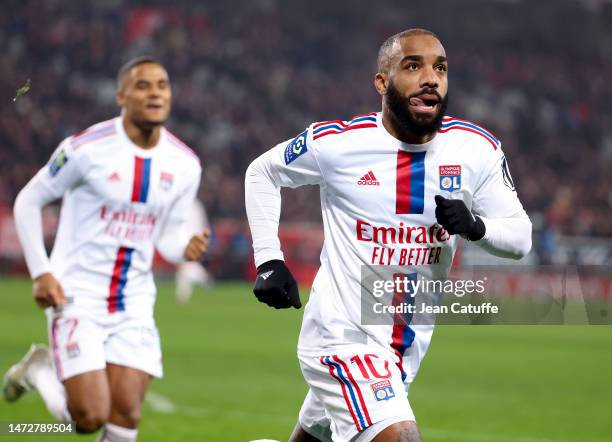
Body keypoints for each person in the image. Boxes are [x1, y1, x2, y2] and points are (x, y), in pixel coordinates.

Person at [245, 28, 531, 442]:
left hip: (404, 346)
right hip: (340, 335)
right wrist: (270, 259)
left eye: (440, 68)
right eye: (413, 66)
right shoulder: (339, 144)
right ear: (382, 82)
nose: (430, 77)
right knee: (400, 437)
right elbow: (263, 171)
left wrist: (476, 226)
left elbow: (521, 238)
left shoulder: (476, 151)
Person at [3, 56, 209, 442]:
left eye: (162, 85)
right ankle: (40, 373)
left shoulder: (185, 164)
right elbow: (28, 200)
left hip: (133, 301)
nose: (155, 93)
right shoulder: (85, 149)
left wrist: (186, 249)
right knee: (88, 417)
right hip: (76, 295)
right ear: (121, 95)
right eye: (143, 85)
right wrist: (41, 272)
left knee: (126, 415)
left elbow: (167, 237)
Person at [175, 197, 214, 304]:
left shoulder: (189, 204)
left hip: (190, 239)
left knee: (186, 266)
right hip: (194, 239)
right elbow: (204, 224)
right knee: (185, 268)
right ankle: (182, 297)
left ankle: (205, 279)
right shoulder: (196, 204)